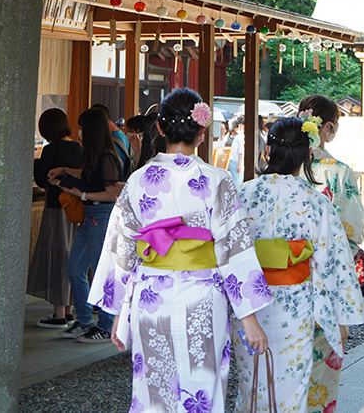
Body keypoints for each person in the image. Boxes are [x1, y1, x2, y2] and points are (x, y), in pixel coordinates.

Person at [88, 87, 270, 413]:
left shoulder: (139, 180)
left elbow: (122, 249)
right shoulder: (217, 180)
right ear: (202, 131)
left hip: (150, 297)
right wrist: (249, 318)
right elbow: (235, 248)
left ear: (159, 128)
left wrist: (117, 313)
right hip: (202, 296)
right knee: (203, 386)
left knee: (154, 391)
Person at [232, 116, 364, 413]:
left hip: (249, 309)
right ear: (308, 154)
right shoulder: (316, 202)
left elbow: (227, 255)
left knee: (251, 386)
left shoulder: (241, 195)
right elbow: (333, 263)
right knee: (290, 393)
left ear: (267, 151)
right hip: (295, 309)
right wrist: (340, 317)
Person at [297, 94, 364, 413]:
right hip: (324, 284)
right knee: (319, 372)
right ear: (327, 127)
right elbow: (352, 229)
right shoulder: (337, 171)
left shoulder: (279, 164)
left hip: (276, 283)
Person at [48, 107, 122, 343]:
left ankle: (105, 325)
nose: (78, 131)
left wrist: (81, 194)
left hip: (100, 215)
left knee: (102, 272)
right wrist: (65, 171)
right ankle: (84, 321)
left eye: (81, 127)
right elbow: (90, 175)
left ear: (90, 130)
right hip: (91, 216)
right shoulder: (97, 155)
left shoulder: (108, 156)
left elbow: (112, 194)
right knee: (75, 268)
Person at [27, 108, 83, 329]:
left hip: (55, 207)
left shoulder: (50, 149)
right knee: (70, 253)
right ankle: (68, 311)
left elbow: (41, 180)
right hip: (75, 207)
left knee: (57, 253)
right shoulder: (77, 147)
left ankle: (58, 314)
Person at [227, 114, 245, 187]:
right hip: (234, 161)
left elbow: (241, 152)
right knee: (236, 183)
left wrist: (240, 164)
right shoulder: (239, 136)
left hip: (233, 161)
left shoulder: (233, 136)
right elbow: (240, 152)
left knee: (235, 183)